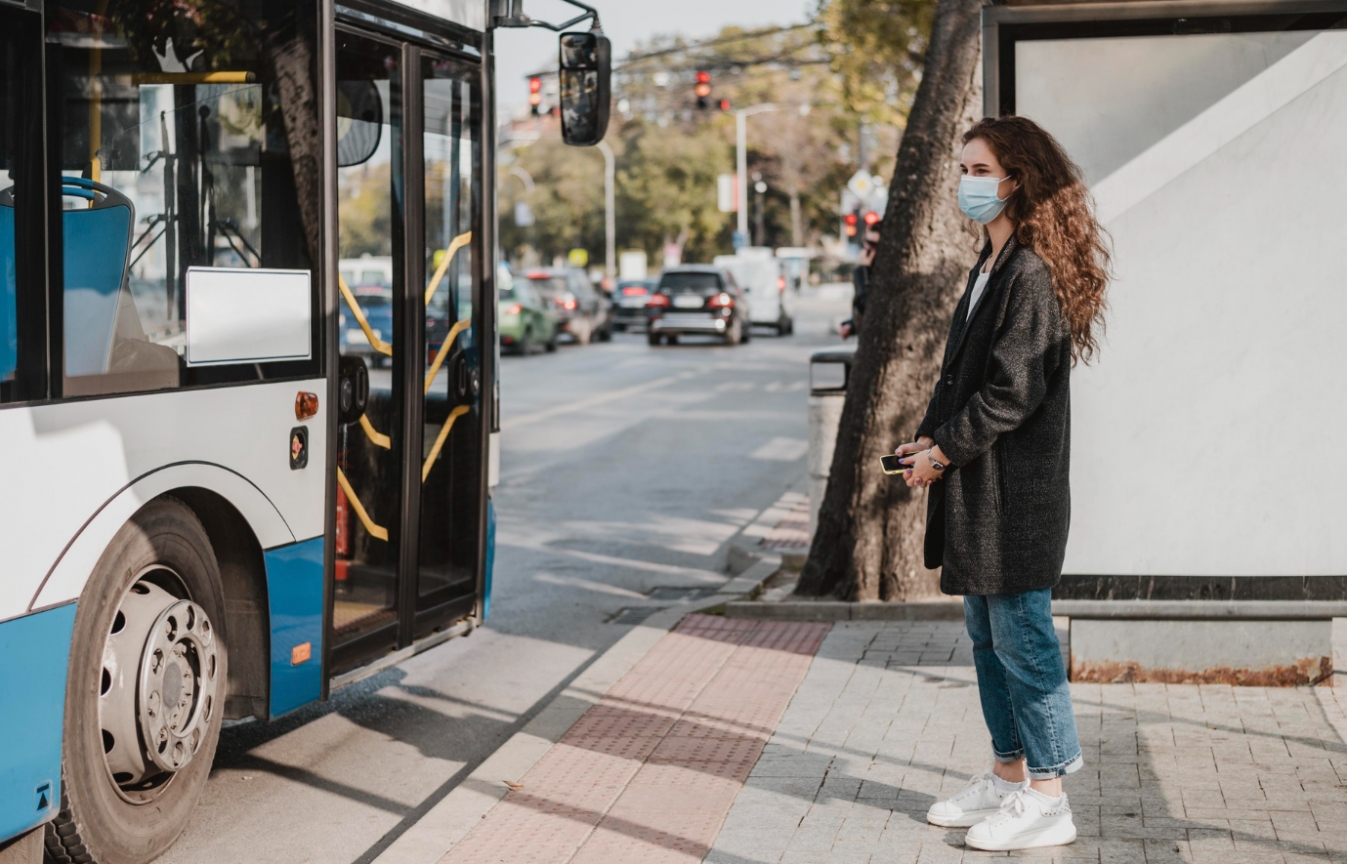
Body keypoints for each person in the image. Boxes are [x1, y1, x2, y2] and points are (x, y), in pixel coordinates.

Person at [894, 115, 1110, 851]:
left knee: (1023, 641)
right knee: (988, 639)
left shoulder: (1029, 273)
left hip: (1015, 496)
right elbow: (962, 379)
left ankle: (1048, 795)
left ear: (1016, 178)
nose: (965, 183)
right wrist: (927, 438)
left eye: (977, 170)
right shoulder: (988, 266)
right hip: (978, 491)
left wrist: (943, 454)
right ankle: (1006, 775)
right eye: (962, 170)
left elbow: (1011, 393)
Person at [839, 226, 880, 339]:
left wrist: (862, 272)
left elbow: (868, 305)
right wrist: (851, 324)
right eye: (865, 243)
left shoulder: (873, 274)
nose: (866, 250)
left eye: (872, 245)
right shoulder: (867, 272)